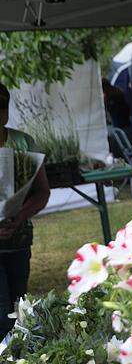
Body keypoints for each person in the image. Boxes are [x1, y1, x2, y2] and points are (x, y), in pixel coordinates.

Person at [0, 82, 50, 339]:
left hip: (19, 241)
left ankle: (18, 351)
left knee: (19, 307)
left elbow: (42, 191)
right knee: (1, 313)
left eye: (1, 106)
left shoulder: (23, 142)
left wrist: (19, 216)